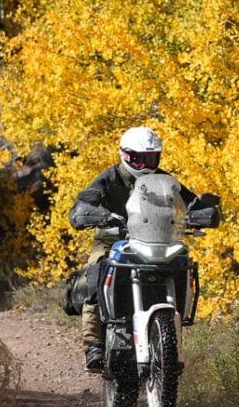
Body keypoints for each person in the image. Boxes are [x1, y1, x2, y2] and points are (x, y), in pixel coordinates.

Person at [68, 126, 196, 372]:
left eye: (151, 158)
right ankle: (94, 344)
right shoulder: (108, 178)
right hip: (111, 241)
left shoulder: (165, 181)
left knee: (183, 265)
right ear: (125, 155)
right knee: (95, 272)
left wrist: (200, 213)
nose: (145, 164)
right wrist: (90, 214)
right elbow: (82, 205)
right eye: (139, 158)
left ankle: (173, 330)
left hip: (158, 240)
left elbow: (191, 202)